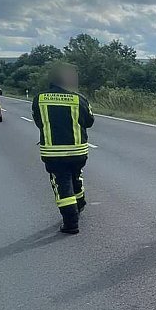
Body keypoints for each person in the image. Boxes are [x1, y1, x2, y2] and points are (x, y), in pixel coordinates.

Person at [32, 63, 95, 234]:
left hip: (54, 153)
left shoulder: (40, 98)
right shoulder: (78, 98)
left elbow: (38, 121)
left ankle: (71, 222)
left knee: (62, 184)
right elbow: (89, 121)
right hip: (79, 151)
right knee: (76, 176)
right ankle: (80, 203)